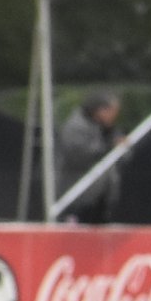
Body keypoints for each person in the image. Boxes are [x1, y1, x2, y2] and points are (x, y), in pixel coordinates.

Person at [56, 91, 126, 223]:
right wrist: (109, 146)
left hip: (101, 195)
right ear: (100, 110)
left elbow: (123, 154)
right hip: (78, 194)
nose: (114, 116)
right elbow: (78, 155)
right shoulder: (76, 127)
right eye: (112, 111)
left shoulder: (108, 129)